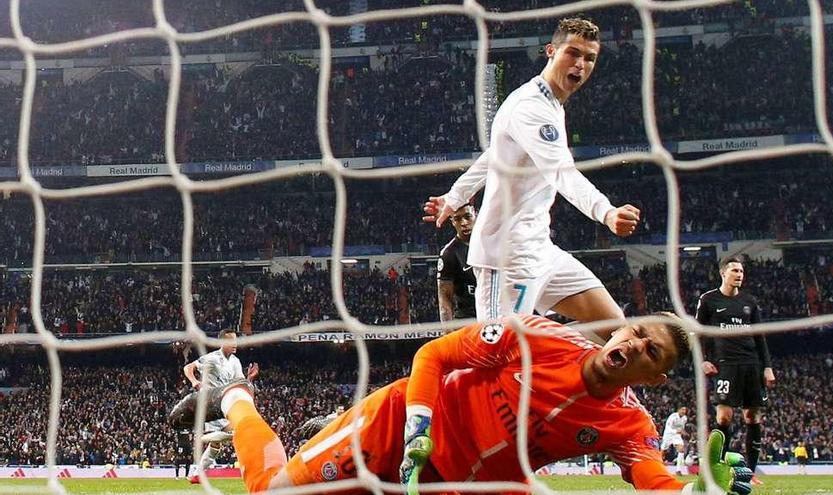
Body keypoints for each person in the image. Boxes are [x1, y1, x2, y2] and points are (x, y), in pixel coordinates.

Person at [173, 314, 752, 494]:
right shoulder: (537, 337)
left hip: (461, 484)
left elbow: (650, 473)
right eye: (634, 332)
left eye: (650, 352)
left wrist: (694, 491)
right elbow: (433, 356)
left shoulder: (629, 422)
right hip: (399, 427)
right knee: (270, 492)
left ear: (653, 379)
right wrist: (420, 422)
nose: (633, 345)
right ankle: (234, 395)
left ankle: (329, 426)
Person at [423, 17, 640, 335]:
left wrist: (454, 196)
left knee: (614, 330)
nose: (580, 65)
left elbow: (492, 157)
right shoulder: (531, 107)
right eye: (572, 53)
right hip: (507, 259)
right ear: (551, 51)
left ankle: (552, 370)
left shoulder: (550, 103)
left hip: (541, 249)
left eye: (589, 58)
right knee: (501, 356)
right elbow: (562, 174)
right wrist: (606, 212)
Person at [696, 255, 776, 485]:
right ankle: (718, 467)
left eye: (741, 271)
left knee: (752, 417)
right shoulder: (709, 300)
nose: (739, 275)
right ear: (723, 273)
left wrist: (767, 367)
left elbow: (760, 337)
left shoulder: (750, 301)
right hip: (726, 365)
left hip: (752, 364)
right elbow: (697, 332)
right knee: (724, 416)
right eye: (734, 271)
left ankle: (749, 474)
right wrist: (702, 360)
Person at [179, 328, 259, 483]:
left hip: (226, 404)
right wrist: (195, 381)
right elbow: (188, 368)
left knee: (217, 445)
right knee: (237, 432)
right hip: (212, 404)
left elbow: (240, 384)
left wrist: (250, 378)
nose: (235, 343)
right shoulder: (212, 358)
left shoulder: (235, 361)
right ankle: (201, 439)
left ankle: (197, 474)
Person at [437, 204, 478, 322]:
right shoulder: (449, 253)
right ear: (452, 222)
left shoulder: (490, 243)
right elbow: (445, 298)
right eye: (457, 219)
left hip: (495, 315)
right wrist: (447, 331)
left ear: (476, 215)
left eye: (467, 217)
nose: (463, 223)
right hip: (467, 320)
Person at [661, 406, 689, 476]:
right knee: (663, 452)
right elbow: (668, 428)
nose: (684, 411)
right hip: (668, 434)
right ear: (678, 410)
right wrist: (676, 431)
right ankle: (658, 466)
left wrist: (683, 432)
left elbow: (681, 428)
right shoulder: (672, 417)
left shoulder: (685, 418)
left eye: (685, 410)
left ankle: (678, 470)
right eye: (682, 409)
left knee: (681, 450)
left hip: (676, 436)